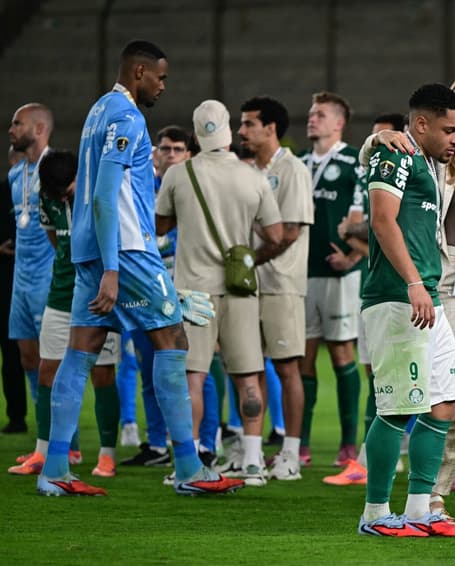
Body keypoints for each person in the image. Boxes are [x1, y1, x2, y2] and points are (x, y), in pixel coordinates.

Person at [36, 40, 243, 496]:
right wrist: (114, 269)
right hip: (126, 252)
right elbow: (105, 194)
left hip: (90, 251)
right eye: (160, 77)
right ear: (139, 72)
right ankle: (188, 467)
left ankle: (53, 471)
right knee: (174, 341)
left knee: (80, 352)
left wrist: (102, 264)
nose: (163, 86)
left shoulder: (97, 112)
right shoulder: (128, 117)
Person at [358, 82, 455, 537]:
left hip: (428, 296)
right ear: (421, 124)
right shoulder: (397, 153)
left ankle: (420, 508)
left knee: (443, 403)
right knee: (397, 407)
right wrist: (412, 283)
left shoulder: (424, 159)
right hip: (397, 297)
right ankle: (374, 513)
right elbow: (381, 219)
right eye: (450, 130)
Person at [156, 99, 284, 487]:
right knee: (248, 377)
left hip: (193, 291)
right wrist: (244, 249)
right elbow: (276, 235)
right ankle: (253, 463)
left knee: (193, 377)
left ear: (196, 134)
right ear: (228, 130)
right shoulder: (252, 176)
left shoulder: (179, 174)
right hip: (240, 288)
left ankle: (190, 461)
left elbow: (159, 226)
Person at [9, 149, 123, 477]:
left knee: (103, 374)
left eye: (67, 189)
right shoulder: (48, 197)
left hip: (98, 299)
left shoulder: (101, 194)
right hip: (60, 295)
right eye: (56, 192)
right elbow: (56, 241)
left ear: (80, 177)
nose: (62, 197)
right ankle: (42, 452)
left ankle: (107, 455)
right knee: (47, 371)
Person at [237, 95, 313, 481]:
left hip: (281, 283)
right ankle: (250, 451)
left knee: (287, 368)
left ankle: (290, 454)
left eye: (249, 123)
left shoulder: (293, 169)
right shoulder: (247, 170)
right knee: (250, 368)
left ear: (270, 128)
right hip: (248, 284)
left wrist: (249, 260)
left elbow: (290, 232)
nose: (241, 131)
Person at [299, 91, 366, 467]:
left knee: (342, 353)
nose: (312, 119)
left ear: (339, 123)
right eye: (311, 114)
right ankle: (301, 444)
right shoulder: (299, 162)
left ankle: (347, 444)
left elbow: (369, 215)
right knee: (303, 358)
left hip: (340, 275)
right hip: (301, 275)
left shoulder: (354, 161)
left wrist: (354, 256)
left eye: (320, 114)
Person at [119, 125, 193, 456]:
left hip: (185, 287)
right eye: (166, 149)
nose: (171, 155)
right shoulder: (138, 188)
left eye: (178, 149)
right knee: (148, 367)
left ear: (188, 155)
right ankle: (157, 443)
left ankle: (205, 439)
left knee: (195, 370)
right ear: (155, 154)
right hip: (144, 286)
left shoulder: (194, 189)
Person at [7, 103, 55, 430]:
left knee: (52, 362)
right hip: (20, 280)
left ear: (39, 129)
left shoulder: (59, 170)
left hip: (48, 278)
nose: (11, 130)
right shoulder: (15, 174)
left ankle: (67, 444)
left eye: (17, 123)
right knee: (27, 358)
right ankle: (44, 435)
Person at [1, 146, 27, 433]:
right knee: (11, 355)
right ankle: (16, 418)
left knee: (41, 356)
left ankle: (54, 430)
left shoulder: (46, 191)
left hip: (37, 283)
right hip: (6, 284)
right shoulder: (2, 193)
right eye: (18, 161)